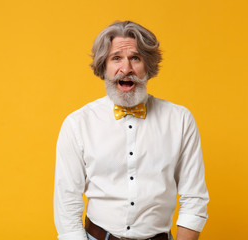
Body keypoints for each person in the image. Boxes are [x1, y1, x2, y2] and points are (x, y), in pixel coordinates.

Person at [54, 21, 209, 240]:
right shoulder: (77, 124)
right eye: (116, 58)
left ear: (148, 66)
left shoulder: (180, 120)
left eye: (135, 58)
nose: (126, 69)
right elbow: (66, 203)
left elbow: (194, 198)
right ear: (103, 66)